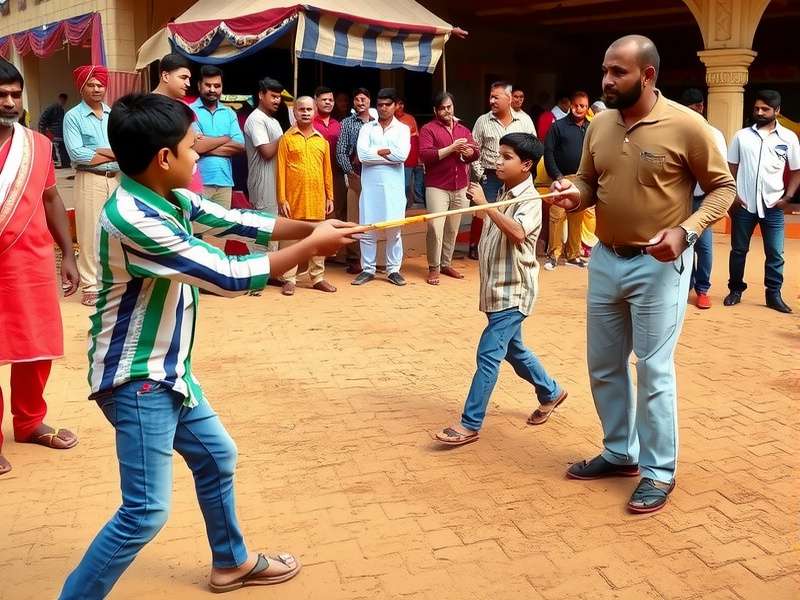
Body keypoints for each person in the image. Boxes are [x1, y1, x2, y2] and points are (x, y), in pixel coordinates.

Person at [58, 92, 364, 599]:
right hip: (136, 380)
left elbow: (243, 223)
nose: (198, 152)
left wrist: (317, 229)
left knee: (216, 456)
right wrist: (311, 248)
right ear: (164, 159)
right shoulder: (132, 217)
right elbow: (224, 273)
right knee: (145, 512)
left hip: (168, 372)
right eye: (190, 145)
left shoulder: (169, 196)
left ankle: (231, 563)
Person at [548, 35, 735, 513]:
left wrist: (687, 231)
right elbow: (591, 179)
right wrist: (576, 192)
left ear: (647, 75)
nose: (606, 81)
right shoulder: (601, 124)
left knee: (652, 370)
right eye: (605, 71)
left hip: (660, 266)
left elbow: (722, 189)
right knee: (604, 365)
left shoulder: (689, 126)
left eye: (618, 73)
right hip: (605, 260)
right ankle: (620, 452)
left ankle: (659, 471)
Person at [434, 133, 566, 446]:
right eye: (499, 155)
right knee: (514, 350)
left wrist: (485, 205)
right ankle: (551, 391)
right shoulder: (505, 194)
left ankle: (470, 423)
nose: (499, 161)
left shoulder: (529, 200)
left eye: (507, 157)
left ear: (527, 164)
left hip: (514, 291)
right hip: (497, 290)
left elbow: (519, 233)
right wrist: (486, 204)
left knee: (489, 353)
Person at [0, 60, 80, 477]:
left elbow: (51, 198)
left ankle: (29, 421)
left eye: (16, 94)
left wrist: (67, 253)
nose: (11, 102)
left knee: (36, 347)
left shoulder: (37, 145)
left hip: (30, 259)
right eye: (2, 95)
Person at [724, 90, 800, 313]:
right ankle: (735, 290)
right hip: (744, 205)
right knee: (738, 250)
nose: (759, 112)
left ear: (777, 111)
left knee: (776, 253)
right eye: (757, 108)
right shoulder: (741, 136)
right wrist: (734, 195)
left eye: (765, 109)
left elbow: (796, 170)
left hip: (773, 206)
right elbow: (731, 167)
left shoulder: (789, 138)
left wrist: (787, 197)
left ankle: (773, 295)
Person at [63, 64, 120, 306]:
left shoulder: (113, 114)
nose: (97, 89)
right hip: (89, 179)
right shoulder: (73, 117)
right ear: (81, 87)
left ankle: (114, 282)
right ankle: (90, 285)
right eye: (91, 84)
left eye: (100, 84)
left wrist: (100, 152)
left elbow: (124, 147)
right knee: (89, 234)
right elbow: (77, 154)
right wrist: (114, 154)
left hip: (116, 180)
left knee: (116, 232)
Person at [276, 96, 336, 296]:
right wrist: (281, 198)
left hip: (317, 198)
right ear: (294, 112)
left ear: (315, 112)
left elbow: (327, 171)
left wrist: (330, 197)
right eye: (301, 109)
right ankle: (289, 279)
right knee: (291, 239)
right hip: (293, 199)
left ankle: (317, 277)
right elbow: (281, 170)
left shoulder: (322, 141)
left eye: (309, 109)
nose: (305, 112)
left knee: (318, 239)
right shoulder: (287, 138)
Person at [470, 82, 537, 259]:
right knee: (483, 215)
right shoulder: (482, 121)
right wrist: (481, 173)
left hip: (517, 179)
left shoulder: (525, 120)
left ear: (509, 99)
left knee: (510, 213)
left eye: (496, 97)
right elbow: (474, 150)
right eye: (490, 97)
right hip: (490, 176)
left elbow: (533, 148)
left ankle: (505, 250)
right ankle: (480, 247)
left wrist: (524, 174)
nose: (491, 100)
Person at [351, 88, 410, 286]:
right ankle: (368, 269)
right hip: (370, 188)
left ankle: (393, 270)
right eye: (380, 104)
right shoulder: (367, 128)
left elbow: (402, 156)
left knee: (394, 230)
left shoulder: (402, 129)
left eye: (388, 104)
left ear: (396, 106)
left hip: (393, 189)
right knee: (368, 229)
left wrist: (377, 154)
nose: (383, 108)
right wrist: (386, 154)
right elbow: (362, 157)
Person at [419, 91, 479, 285]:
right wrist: (451, 148)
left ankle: (446, 263)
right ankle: (433, 267)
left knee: (453, 227)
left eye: (449, 107)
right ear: (435, 110)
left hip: (460, 185)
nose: (446, 111)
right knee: (435, 227)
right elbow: (426, 155)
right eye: (442, 108)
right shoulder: (428, 129)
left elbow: (475, 152)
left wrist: (468, 151)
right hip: (437, 185)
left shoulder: (463, 129)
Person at [680, 88, 728, 309]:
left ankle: (703, 289)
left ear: (701, 107)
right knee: (682, 244)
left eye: (693, 109)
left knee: (704, 247)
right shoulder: (676, 132)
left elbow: (722, 171)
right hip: (680, 199)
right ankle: (684, 285)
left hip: (704, 199)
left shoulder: (714, 135)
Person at [543, 91, 591, 270]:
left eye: (583, 106)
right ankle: (553, 256)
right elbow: (548, 152)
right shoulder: (558, 126)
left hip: (581, 180)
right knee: (556, 217)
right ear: (570, 105)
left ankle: (573, 255)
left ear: (587, 107)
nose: (579, 109)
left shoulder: (590, 127)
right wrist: (557, 176)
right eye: (576, 105)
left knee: (577, 218)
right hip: (561, 178)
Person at [190, 65, 244, 214]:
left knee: (221, 233)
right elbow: (196, 146)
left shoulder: (229, 113)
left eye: (217, 86)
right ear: (199, 85)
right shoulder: (189, 111)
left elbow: (240, 146)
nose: (212, 90)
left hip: (225, 183)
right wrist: (226, 138)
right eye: (208, 85)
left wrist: (206, 145)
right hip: (198, 182)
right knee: (198, 232)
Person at [335, 87, 373, 274]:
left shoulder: (377, 123)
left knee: (373, 217)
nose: (360, 102)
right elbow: (340, 151)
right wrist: (349, 171)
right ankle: (354, 258)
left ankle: (373, 257)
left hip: (375, 176)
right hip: (356, 176)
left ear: (369, 101)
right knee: (354, 218)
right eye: (357, 99)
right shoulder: (347, 123)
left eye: (363, 99)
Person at [243, 77, 284, 231]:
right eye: (273, 96)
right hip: (262, 184)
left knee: (274, 232)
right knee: (264, 234)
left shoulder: (273, 121)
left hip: (274, 184)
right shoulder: (256, 119)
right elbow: (266, 152)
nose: (277, 100)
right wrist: (286, 137)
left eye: (279, 97)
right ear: (261, 95)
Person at [313, 86, 347, 224]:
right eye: (324, 100)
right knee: (318, 213)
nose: (328, 102)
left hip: (336, 174)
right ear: (316, 101)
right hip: (316, 175)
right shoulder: (309, 122)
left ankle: (335, 245)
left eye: (331, 100)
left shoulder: (337, 124)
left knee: (337, 212)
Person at [396, 98, 424, 208]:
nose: (400, 106)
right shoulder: (391, 120)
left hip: (415, 156)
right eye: (398, 104)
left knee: (418, 183)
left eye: (401, 104)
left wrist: (420, 157)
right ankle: (404, 206)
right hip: (402, 159)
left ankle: (419, 204)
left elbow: (416, 138)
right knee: (406, 184)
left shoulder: (410, 118)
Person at [38, 92, 69, 167]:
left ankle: (65, 163)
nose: (63, 102)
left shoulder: (61, 109)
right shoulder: (53, 107)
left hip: (59, 133)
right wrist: (42, 131)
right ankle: (60, 163)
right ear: (60, 99)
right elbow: (43, 119)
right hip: (53, 133)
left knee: (61, 148)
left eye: (64, 101)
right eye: (62, 100)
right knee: (57, 148)